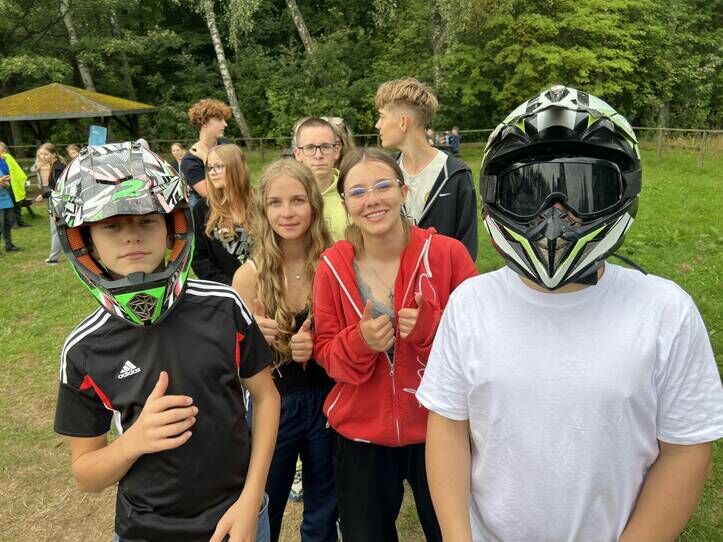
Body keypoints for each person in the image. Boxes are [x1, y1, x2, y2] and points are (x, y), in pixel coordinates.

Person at [417, 85, 723, 542]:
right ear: (496, 198)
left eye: (584, 190)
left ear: (622, 192)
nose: (556, 215)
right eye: (530, 192)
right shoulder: (471, 304)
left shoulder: (665, 311)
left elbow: (687, 447)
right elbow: (448, 425)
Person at [51, 141, 280, 542]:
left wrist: (251, 498)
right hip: (146, 529)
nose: (131, 237)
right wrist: (134, 442)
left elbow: (266, 397)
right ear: (83, 240)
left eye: (146, 221)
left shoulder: (223, 306)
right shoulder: (85, 349)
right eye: (111, 226)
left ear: (173, 225)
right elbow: (86, 474)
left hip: (238, 515)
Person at [312, 148, 478, 542]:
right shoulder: (332, 266)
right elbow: (326, 354)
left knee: (453, 532)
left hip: (440, 428)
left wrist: (429, 330)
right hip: (360, 436)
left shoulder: (448, 255)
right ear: (345, 204)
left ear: (404, 192)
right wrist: (360, 342)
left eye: (383, 186)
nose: (372, 199)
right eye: (357, 192)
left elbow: (481, 341)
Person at [233, 159, 337, 542]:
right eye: (275, 202)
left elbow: (351, 337)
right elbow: (232, 364)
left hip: (328, 400)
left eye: (297, 200)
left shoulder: (334, 264)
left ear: (314, 204)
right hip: (272, 403)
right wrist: (252, 342)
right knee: (265, 501)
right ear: (263, 210)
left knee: (324, 506)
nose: (287, 212)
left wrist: (319, 345)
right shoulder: (249, 276)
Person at [375, 78, 478, 260]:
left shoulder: (455, 175)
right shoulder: (384, 171)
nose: (377, 125)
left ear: (403, 122)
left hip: (443, 278)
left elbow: (467, 251)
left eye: (382, 117)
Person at [192, 143, 253, 285]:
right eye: (209, 168)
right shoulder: (202, 209)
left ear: (235, 167)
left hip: (263, 286)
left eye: (218, 166)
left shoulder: (260, 203)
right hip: (225, 290)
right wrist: (229, 287)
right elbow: (199, 258)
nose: (212, 173)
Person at [293, 117, 346, 241]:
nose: (318, 155)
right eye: (310, 148)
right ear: (298, 154)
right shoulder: (287, 195)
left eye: (325, 147)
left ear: (336, 151)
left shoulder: (351, 190)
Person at [181, 98, 231, 207]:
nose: (225, 124)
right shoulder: (190, 161)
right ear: (204, 122)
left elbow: (240, 178)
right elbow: (212, 197)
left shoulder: (227, 145)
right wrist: (206, 159)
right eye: (219, 119)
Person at [33, 143, 66, 264]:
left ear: (54, 154)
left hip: (59, 202)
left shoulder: (57, 168)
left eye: (46, 154)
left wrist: (44, 195)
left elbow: (58, 190)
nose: (43, 157)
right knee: (61, 229)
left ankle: (53, 258)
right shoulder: (55, 166)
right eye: (41, 154)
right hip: (57, 201)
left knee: (57, 229)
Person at [0, 141, 33, 226]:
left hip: (12, 182)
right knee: (10, 203)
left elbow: (14, 169)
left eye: (2, 148)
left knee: (17, 203)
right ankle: (14, 223)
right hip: (3, 184)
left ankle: (20, 222)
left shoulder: (7, 157)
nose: (2, 150)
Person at [0, 155, 21, 253]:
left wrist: (5, 183)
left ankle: (9, 245)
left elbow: (7, 184)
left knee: (7, 224)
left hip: (5, 200)